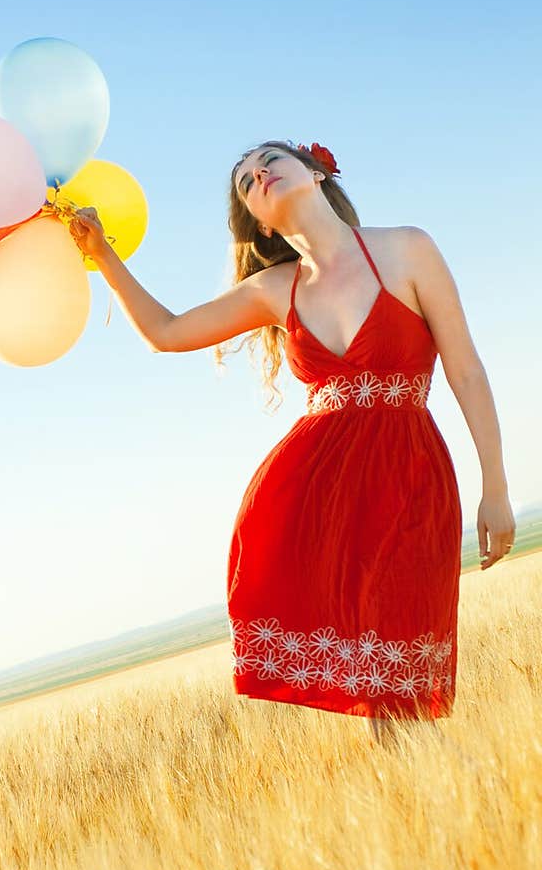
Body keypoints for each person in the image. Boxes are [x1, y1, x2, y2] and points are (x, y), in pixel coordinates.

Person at [66, 140, 516, 747]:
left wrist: (496, 488)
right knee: (376, 685)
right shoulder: (273, 290)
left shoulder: (408, 248)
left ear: (315, 170)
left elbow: (465, 369)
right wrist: (102, 254)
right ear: (256, 220)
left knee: (407, 672)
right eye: (246, 181)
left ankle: (453, 808)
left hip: (409, 479)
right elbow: (168, 333)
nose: (258, 175)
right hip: (317, 498)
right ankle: (425, 809)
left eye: (267, 161)